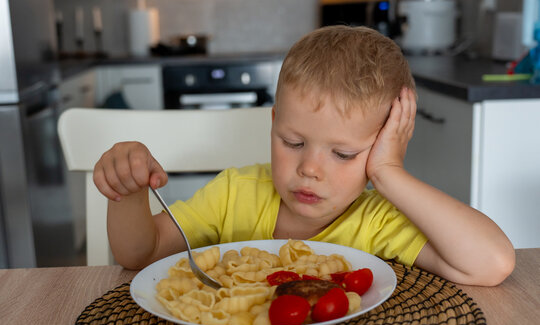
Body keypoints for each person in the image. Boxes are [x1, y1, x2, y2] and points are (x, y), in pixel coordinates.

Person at [93, 25, 515, 286]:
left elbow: (491, 264)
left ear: (383, 144)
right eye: (292, 142)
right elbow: (139, 255)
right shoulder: (233, 194)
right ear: (273, 123)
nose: (310, 169)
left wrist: (389, 172)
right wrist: (128, 192)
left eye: (344, 154)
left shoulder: (377, 221)